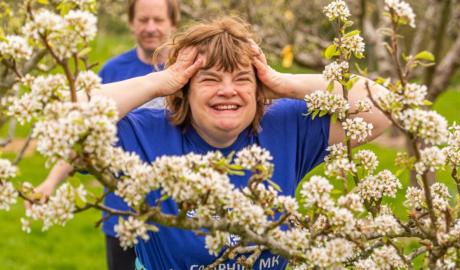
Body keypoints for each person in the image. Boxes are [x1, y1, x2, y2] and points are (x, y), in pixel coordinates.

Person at [93, 16, 391, 269]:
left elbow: (381, 107)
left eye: (242, 79)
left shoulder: (286, 128)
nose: (228, 90)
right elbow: (66, 118)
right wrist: (157, 83)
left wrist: (286, 84)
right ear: (184, 89)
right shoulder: (145, 134)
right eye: (209, 79)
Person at [30, 0, 180, 269]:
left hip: (171, 213)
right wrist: (50, 183)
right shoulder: (112, 72)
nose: (150, 27)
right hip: (121, 215)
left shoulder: (186, 73)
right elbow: (85, 135)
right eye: (143, 20)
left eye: (158, 20)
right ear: (132, 23)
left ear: (173, 23)